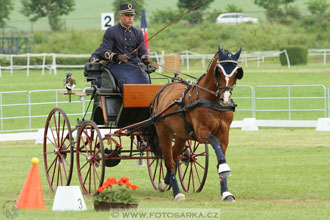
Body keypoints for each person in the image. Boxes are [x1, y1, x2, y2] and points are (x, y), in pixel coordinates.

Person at [89, 3, 151, 90]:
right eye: (127, 15)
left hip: (134, 66)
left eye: (132, 15)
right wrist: (117, 57)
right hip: (116, 66)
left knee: (145, 81)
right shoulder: (111, 31)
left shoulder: (138, 33)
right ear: (120, 16)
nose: (130, 18)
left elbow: (143, 51)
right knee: (128, 83)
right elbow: (105, 50)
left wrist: (145, 57)